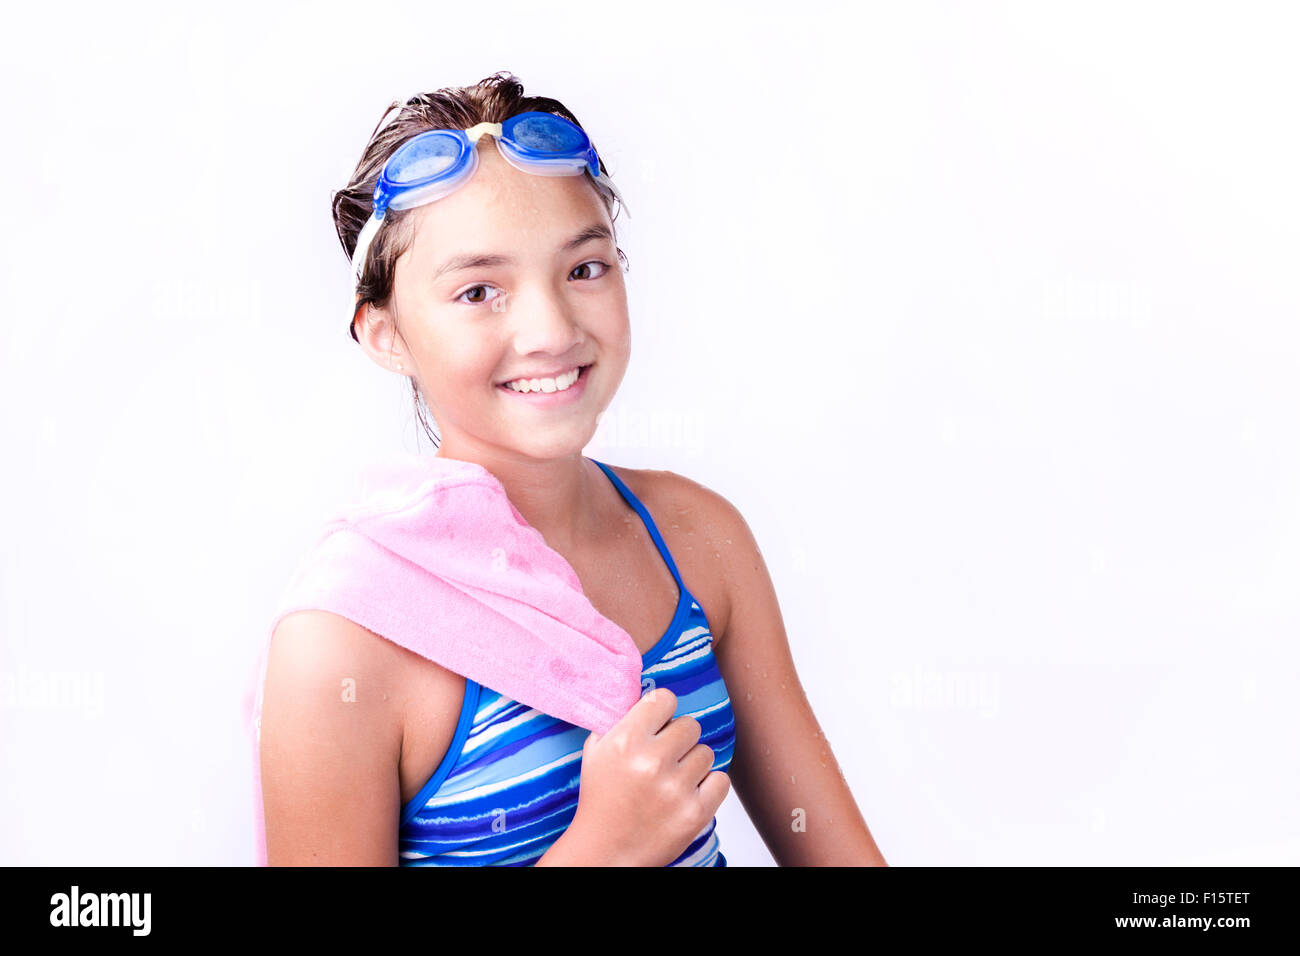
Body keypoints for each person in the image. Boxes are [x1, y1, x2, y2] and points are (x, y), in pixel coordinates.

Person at [258, 71, 888, 866]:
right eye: (480, 290)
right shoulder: (344, 644)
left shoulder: (698, 540)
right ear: (384, 333)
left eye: (584, 269)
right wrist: (603, 850)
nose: (550, 330)